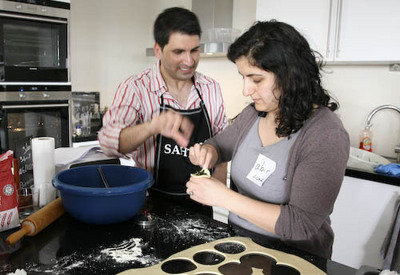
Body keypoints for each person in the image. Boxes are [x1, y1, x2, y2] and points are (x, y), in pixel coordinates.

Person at [186, 20, 350, 259]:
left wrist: (223, 197)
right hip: (238, 248)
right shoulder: (254, 114)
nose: (246, 90)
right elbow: (220, 145)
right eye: (243, 77)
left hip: (293, 259)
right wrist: (209, 151)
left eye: (256, 79)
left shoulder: (325, 134)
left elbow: (300, 224)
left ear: (289, 75)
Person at [98, 7, 228, 216]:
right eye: (178, 52)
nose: (189, 61)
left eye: (194, 50)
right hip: (150, 207)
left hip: (201, 207)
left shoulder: (210, 88)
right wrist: (152, 126)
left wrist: (221, 193)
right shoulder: (136, 87)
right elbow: (108, 144)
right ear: (158, 50)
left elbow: (224, 144)